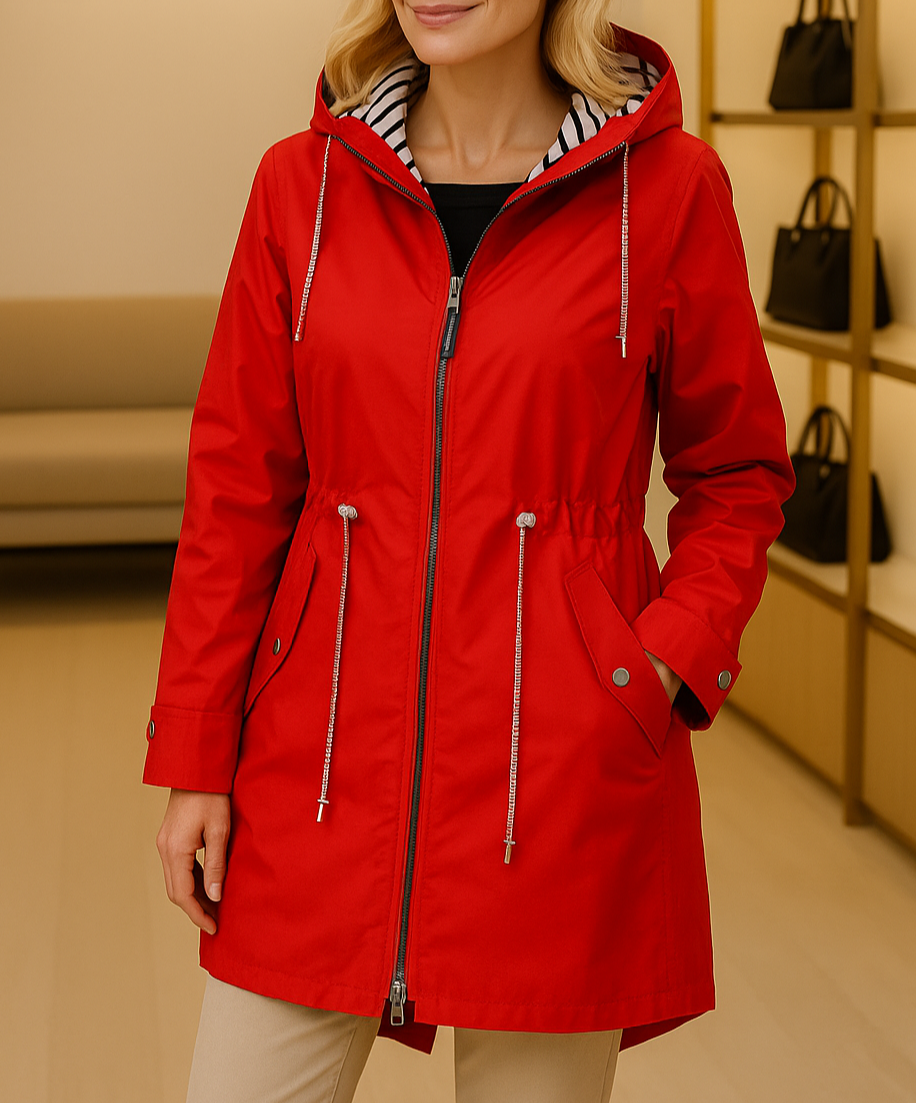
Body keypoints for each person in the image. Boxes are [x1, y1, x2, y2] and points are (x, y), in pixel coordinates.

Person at [144, 1, 796, 1100]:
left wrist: (656, 667)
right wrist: (197, 752)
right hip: (313, 772)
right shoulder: (300, 186)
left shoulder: (668, 190)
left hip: (559, 788)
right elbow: (237, 492)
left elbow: (737, 473)